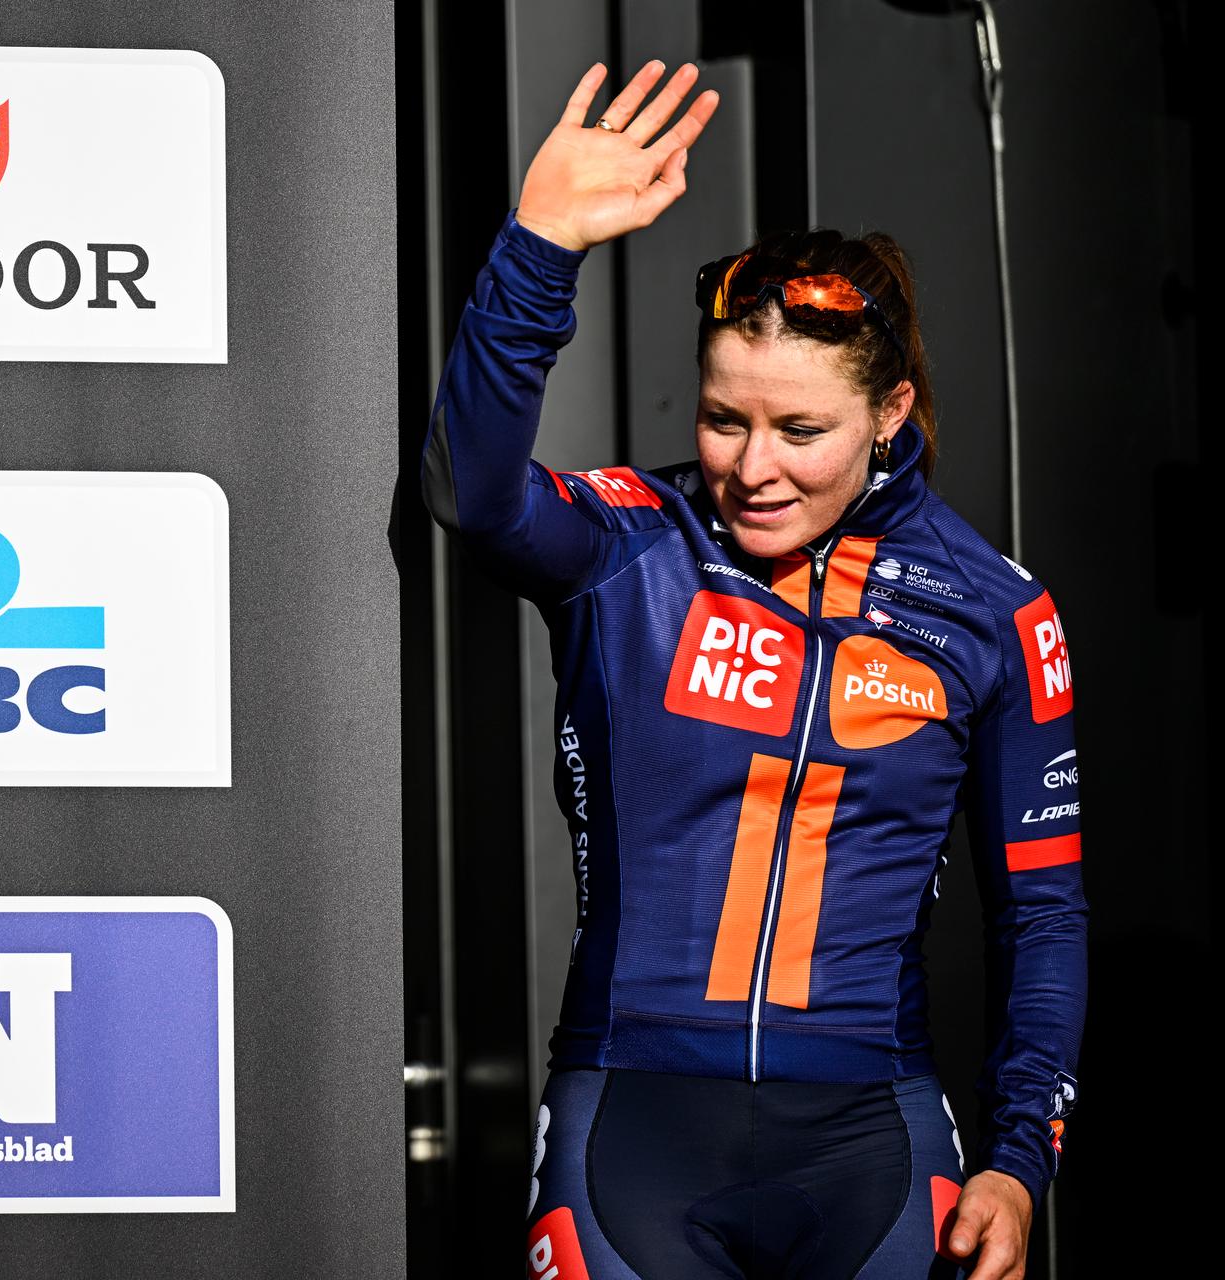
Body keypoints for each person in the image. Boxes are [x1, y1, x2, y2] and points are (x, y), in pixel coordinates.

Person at [420, 60, 1087, 1280]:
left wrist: (1019, 1154)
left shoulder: (998, 610)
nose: (753, 467)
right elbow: (473, 490)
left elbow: (1040, 915)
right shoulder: (630, 545)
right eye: (724, 419)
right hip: (631, 1125)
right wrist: (541, 247)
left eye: (800, 430)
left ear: (889, 411)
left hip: (870, 1143)